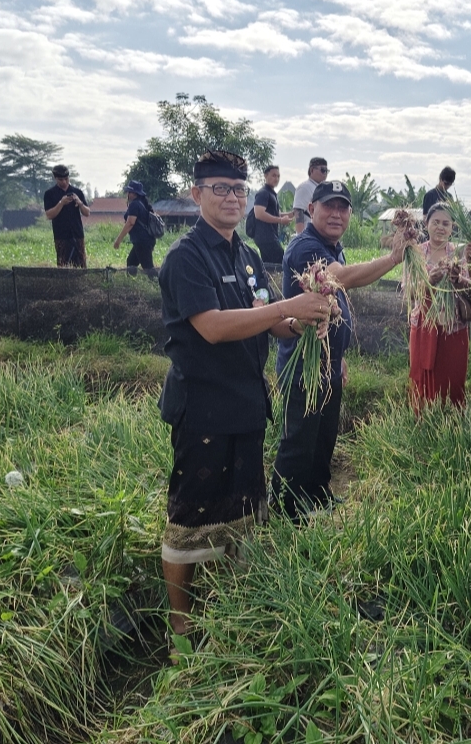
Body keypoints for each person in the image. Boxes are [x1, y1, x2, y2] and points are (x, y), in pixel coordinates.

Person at [156, 149, 332, 644]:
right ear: (197, 195)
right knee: (191, 516)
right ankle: (182, 627)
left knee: (240, 508)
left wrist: (303, 324)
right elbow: (211, 327)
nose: (231, 198)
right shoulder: (185, 258)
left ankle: (228, 605)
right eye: (220, 189)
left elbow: (268, 317)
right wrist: (288, 305)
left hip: (247, 404)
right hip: (204, 408)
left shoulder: (247, 255)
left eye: (237, 189)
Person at [272, 180, 410, 519]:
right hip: (303, 363)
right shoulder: (305, 247)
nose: (336, 213)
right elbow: (341, 278)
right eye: (328, 206)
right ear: (311, 209)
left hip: (328, 363)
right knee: (299, 440)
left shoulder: (334, 246)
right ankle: (286, 510)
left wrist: (340, 355)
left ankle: (317, 496)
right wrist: (394, 257)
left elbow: (334, 304)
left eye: (343, 207)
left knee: (323, 436)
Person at [408, 202, 471, 409]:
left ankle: (451, 433)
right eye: (436, 222)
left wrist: (460, 279)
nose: (441, 227)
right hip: (424, 328)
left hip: (454, 328)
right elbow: (408, 291)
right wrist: (428, 281)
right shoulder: (415, 253)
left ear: (452, 227)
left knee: (453, 382)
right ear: (426, 224)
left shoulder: (460, 253)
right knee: (423, 381)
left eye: (446, 223)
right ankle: (422, 428)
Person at [43, 164, 90, 267]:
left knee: (81, 265)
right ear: (55, 178)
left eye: (66, 179)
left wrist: (79, 202)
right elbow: (49, 215)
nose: (64, 182)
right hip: (61, 236)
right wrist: (61, 203)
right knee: (63, 266)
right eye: (61, 179)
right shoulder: (49, 194)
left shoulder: (77, 192)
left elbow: (87, 213)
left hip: (77, 235)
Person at [247, 165, 294, 264]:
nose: (276, 178)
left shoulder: (271, 193)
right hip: (266, 237)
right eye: (273, 175)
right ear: (265, 175)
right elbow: (259, 214)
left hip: (268, 237)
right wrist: (281, 220)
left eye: (278, 176)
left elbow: (274, 213)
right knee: (281, 262)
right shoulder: (263, 193)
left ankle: (267, 279)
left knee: (269, 266)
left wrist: (291, 214)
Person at [113, 180, 158, 277]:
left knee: (148, 269)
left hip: (142, 242)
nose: (128, 194)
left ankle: (160, 286)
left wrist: (118, 239)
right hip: (144, 241)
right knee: (131, 262)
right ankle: (131, 285)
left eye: (130, 192)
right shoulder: (142, 204)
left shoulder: (134, 205)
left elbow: (130, 223)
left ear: (135, 194)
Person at [292, 157, 328, 235]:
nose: (325, 174)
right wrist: (301, 237)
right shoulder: (305, 187)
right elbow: (298, 212)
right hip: (308, 235)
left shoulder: (320, 188)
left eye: (326, 171)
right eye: (322, 170)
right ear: (312, 170)